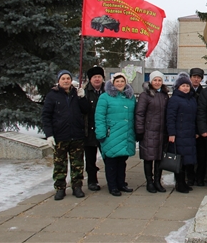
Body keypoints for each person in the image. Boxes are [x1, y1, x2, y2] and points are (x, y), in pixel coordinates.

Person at [42, 70, 89, 200]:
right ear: (59, 81)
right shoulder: (52, 95)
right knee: (60, 165)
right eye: (63, 78)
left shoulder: (76, 93)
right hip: (60, 136)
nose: (66, 81)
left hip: (76, 135)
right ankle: (60, 188)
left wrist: (82, 97)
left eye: (68, 78)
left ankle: (77, 187)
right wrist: (49, 135)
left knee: (77, 164)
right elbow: (46, 116)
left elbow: (86, 110)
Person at [95, 72, 136, 197]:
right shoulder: (105, 97)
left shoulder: (130, 97)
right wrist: (101, 133)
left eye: (122, 81)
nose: (120, 83)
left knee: (122, 161)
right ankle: (112, 186)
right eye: (117, 81)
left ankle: (121, 183)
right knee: (111, 161)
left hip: (126, 134)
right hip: (111, 134)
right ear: (112, 83)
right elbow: (99, 116)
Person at [135, 71, 169, 193]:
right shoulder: (145, 95)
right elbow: (140, 113)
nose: (157, 82)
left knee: (159, 158)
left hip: (161, 132)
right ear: (151, 81)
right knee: (148, 158)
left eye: (159, 80)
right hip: (148, 131)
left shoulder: (164, 95)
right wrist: (139, 130)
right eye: (155, 80)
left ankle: (157, 182)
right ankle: (149, 182)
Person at [167, 72, 198, 193]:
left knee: (187, 161)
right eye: (183, 85)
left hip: (189, 134)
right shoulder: (175, 99)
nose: (185, 88)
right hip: (179, 135)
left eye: (187, 85)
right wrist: (171, 134)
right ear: (178, 87)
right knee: (179, 161)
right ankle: (179, 184)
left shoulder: (191, 99)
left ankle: (184, 182)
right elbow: (170, 118)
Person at [83, 66, 105, 192]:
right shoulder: (85, 92)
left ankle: (112, 180)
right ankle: (92, 180)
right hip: (89, 131)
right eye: (94, 77)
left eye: (99, 77)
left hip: (104, 131)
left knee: (109, 158)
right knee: (90, 159)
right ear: (90, 79)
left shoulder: (107, 92)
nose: (97, 79)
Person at [188, 67, 206, 186]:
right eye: (194, 77)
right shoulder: (185, 90)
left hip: (201, 129)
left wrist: (200, 130)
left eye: (198, 77)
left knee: (202, 156)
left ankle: (200, 178)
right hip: (188, 128)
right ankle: (190, 178)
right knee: (188, 155)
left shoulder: (204, 92)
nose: (196, 79)